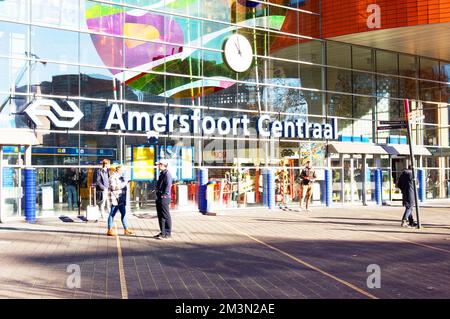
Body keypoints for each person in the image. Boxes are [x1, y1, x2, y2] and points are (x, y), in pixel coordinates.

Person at [107, 165, 134, 236]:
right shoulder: (112, 177)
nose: (122, 172)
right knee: (112, 214)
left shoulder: (120, 177)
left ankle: (126, 229)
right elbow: (113, 187)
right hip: (116, 198)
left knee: (124, 214)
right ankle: (109, 230)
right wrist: (125, 184)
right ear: (117, 170)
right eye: (121, 170)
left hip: (121, 198)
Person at [153, 159, 173, 239]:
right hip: (159, 196)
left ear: (163, 165)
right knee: (160, 215)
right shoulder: (162, 174)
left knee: (165, 215)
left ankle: (167, 233)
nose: (158, 166)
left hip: (164, 198)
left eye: (159, 164)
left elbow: (168, 185)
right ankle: (163, 232)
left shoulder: (167, 174)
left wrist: (164, 195)